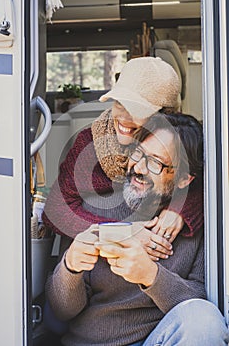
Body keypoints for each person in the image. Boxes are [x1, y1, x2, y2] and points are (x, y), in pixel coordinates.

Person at [46, 112, 229, 345]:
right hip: (93, 341)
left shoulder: (202, 225)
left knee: (204, 320)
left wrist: (150, 276)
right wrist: (70, 267)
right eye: (138, 153)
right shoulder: (95, 207)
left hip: (158, 339)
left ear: (184, 179)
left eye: (155, 162)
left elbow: (202, 300)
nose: (139, 168)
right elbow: (61, 312)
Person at [42, 57, 203, 253]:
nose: (124, 118)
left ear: (165, 115)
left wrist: (181, 207)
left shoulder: (182, 144)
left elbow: (206, 187)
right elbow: (55, 211)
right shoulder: (90, 144)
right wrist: (120, 233)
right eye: (120, 104)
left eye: (138, 110)